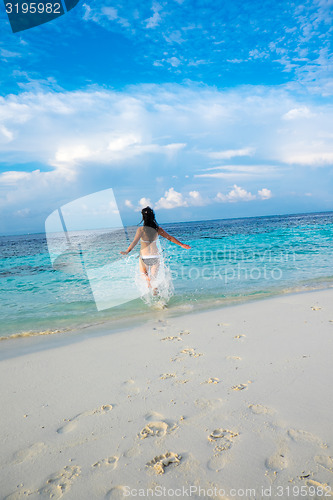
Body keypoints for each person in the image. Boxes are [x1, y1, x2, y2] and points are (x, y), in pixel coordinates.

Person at [120, 206, 190, 293]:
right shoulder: (157, 229)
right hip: (155, 256)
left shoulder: (141, 230)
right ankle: (155, 291)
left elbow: (134, 242)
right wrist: (181, 244)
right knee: (154, 278)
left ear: (143, 217)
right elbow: (170, 238)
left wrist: (127, 251)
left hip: (144, 257)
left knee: (143, 274)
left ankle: (147, 279)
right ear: (153, 217)